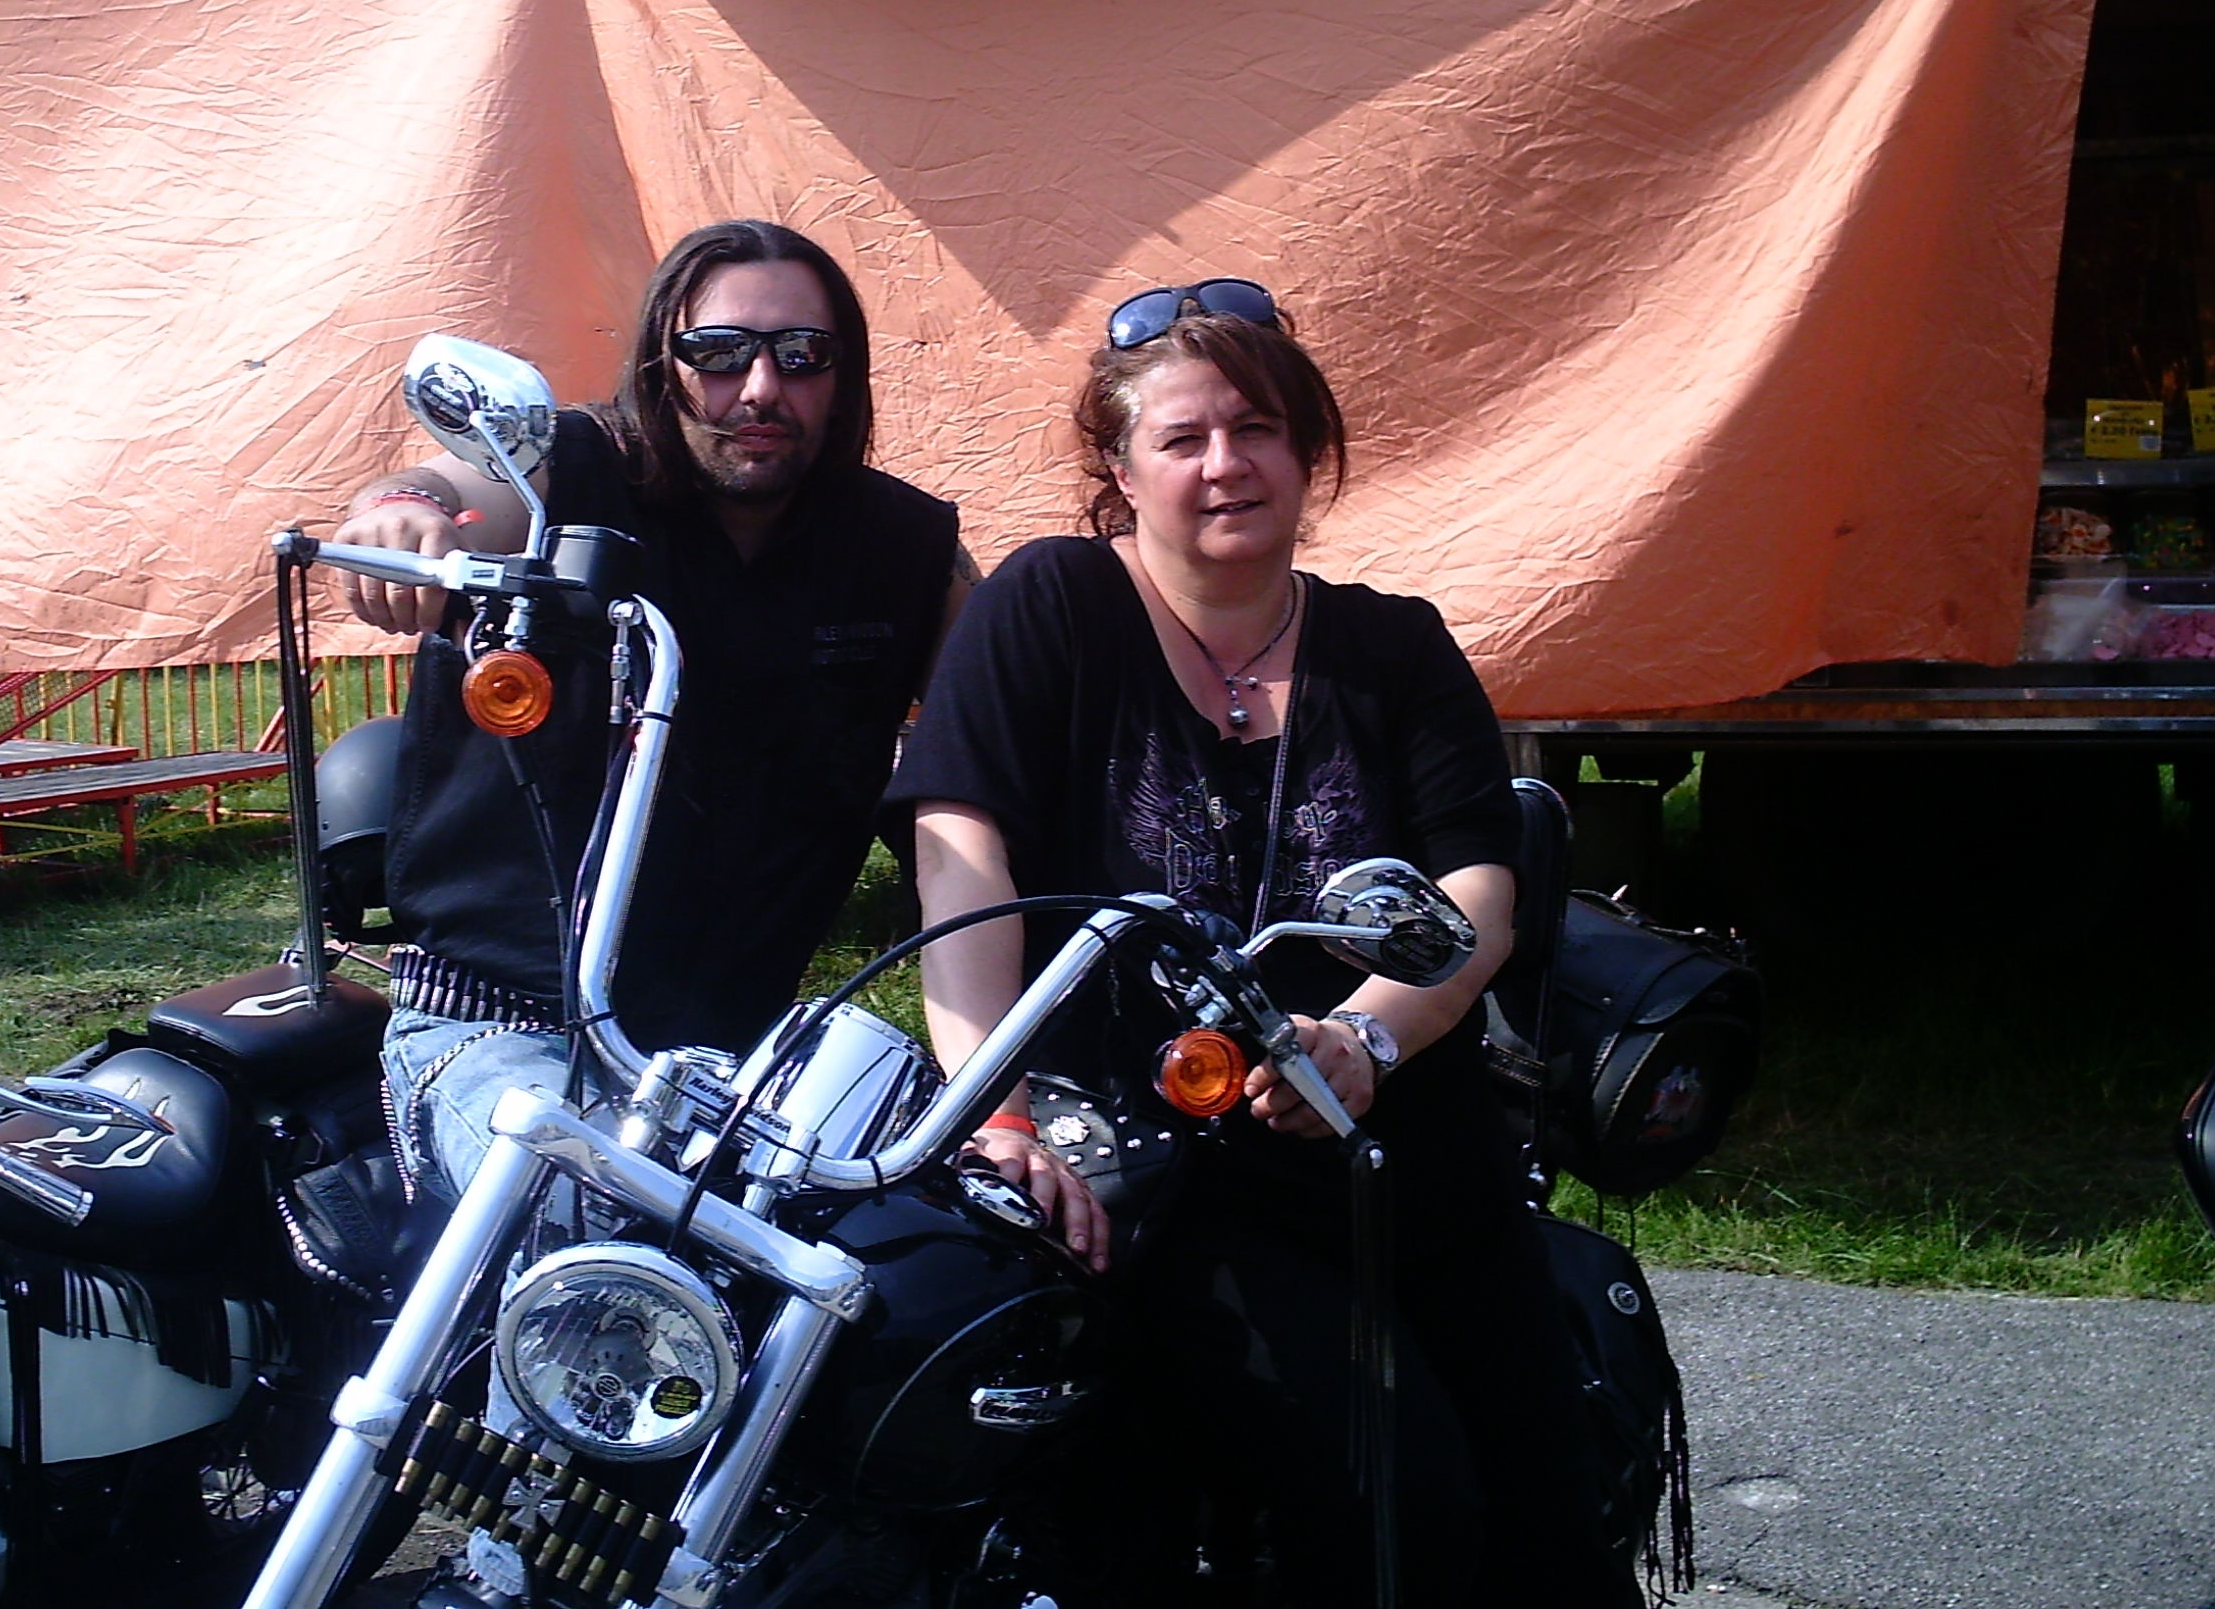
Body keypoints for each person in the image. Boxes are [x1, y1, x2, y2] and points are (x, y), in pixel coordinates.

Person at [888, 280, 1633, 1606]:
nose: (1225, 464)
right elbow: (963, 862)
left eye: (1257, 429)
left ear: (1310, 452)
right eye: (1183, 438)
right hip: (1166, 1169)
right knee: (1401, 1504)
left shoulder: (1392, 644)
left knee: (1554, 1527)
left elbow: (1480, 886)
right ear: (1122, 471)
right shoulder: (1052, 602)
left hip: (1404, 1145)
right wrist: (992, 1109)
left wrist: (1365, 1037)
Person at [331, 219, 965, 1203]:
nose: (761, 387)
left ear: (845, 377)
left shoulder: (902, 545)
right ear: (663, 364)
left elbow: (1001, 714)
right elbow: (462, 487)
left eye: (803, 354)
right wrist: (403, 511)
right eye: (719, 352)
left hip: (733, 1055)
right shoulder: (569, 468)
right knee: (591, 1228)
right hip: (505, 1023)